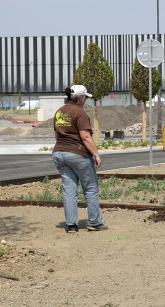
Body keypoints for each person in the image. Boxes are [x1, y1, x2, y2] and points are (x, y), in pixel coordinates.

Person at [52, 85, 107, 233]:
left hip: (59, 153)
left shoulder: (60, 111)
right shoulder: (80, 113)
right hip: (77, 153)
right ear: (81, 98)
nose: (86, 101)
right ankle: (95, 222)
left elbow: (58, 133)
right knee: (90, 188)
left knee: (69, 190)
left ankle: (71, 225)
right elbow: (86, 137)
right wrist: (96, 154)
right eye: (86, 98)